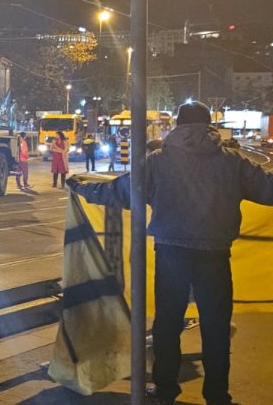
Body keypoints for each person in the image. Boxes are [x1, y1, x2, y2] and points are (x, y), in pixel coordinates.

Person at [67, 101, 273, 405]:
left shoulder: (158, 162)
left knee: (167, 324)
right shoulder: (233, 161)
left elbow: (121, 191)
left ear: (177, 126)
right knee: (216, 327)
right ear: (210, 127)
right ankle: (217, 395)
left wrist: (82, 187)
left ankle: (165, 390)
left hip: (171, 253)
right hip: (215, 255)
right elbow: (268, 190)